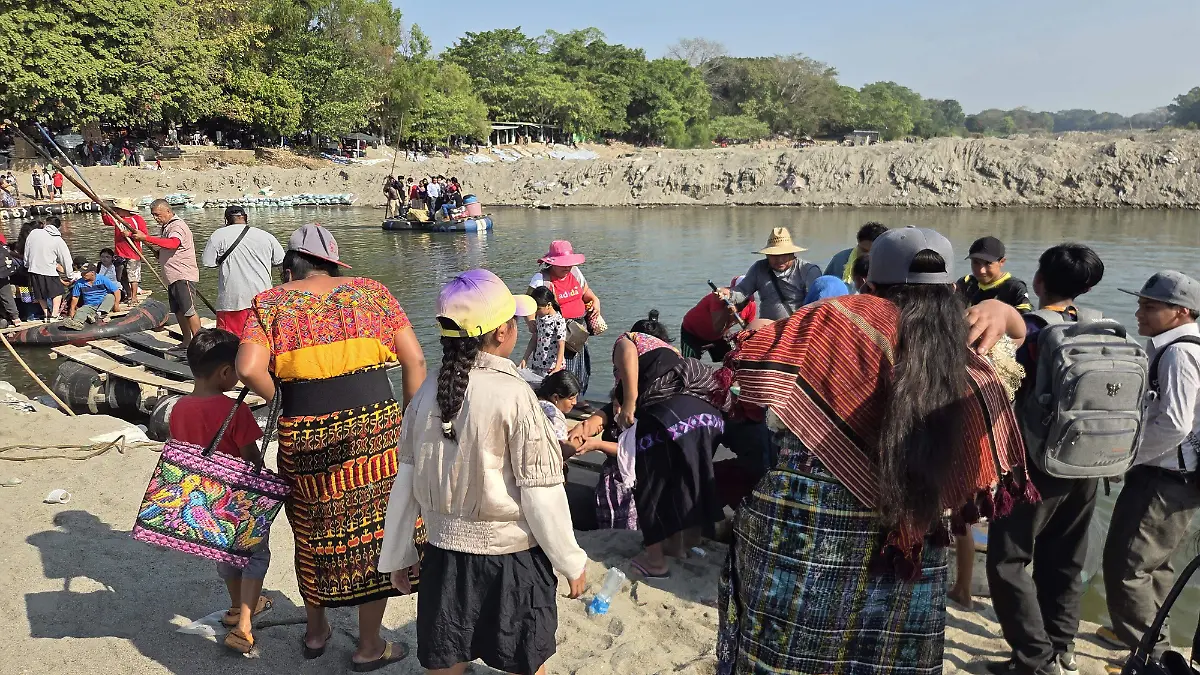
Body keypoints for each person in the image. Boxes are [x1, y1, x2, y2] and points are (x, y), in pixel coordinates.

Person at [717, 226, 1035, 675]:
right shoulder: (975, 346)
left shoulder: (833, 319)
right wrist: (1005, 311)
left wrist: (758, 329)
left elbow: (747, 377)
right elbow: (1024, 339)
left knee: (788, 653)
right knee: (887, 655)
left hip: (805, 530)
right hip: (908, 540)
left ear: (869, 281)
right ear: (950, 289)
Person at [235, 224, 427, 670]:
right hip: (374, 431)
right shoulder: (372, 292)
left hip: (305, 433)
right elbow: (415, 360)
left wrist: (278, 395)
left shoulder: (270, 302)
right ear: (332, 265)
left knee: (311, 532)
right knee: (378, 534)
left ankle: (317, 632)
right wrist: (410, 422)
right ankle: (368, 645)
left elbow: (247, 367)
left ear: (291, 268)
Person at [377, 268, 587, 675]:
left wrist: (399, 552)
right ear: (501, 334)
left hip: (443, 556)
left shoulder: (426, 391)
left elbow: (406, 482)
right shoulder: (515, 395)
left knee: (447, 657)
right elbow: (541, 493)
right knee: (525, 661)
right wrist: (570, 559)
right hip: (510, 559)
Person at [986, 244, 1107, 675]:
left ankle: (1033, 661)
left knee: (1007, 560)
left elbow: (997, 384)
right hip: (1092, 462)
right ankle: (1063, 648)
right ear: (1087, 286)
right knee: (1066, 559)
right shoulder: (1101, 326)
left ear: (1038, 281)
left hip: (1035, 465)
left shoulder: (1032, 331)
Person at [1098, 271, 1200, 667]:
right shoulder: (1188, 345)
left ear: (1181, 312)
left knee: (1127, 568)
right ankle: (1157, 640)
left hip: (1164, 479)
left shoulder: (1177, 353)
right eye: (1140, 303)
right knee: (1157, 567)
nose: (1139, 313)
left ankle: (1151, 657)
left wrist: (1124, 455)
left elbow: (1173, 424)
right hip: (1183, 479)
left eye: (1150, 306)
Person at [168, 329, 270, 654]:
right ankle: (243, 625)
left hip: (201, 499)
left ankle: (235, 606)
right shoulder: (235, 411)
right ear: (227, 372)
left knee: (225, 556)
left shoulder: (179, 407)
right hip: (236, 500)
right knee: (256, 555)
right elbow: (251, 456)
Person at [607, 310, 726, 578]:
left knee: (650, 487)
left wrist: (629, 403)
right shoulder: (672, 354)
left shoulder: (630, 339)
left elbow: (625, 351)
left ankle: (655, 562)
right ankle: (680, 546)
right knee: (687, 482)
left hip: (670, 418)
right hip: (711, 418)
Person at [529, 240, 602, 400]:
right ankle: (557, 399)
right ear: (551, 262)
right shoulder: (542, 279)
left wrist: (596, 300)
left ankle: (576, 399)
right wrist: (532, 324)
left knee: (580, 368)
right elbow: (529, 303)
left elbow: (586, 292)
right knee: (558, 369)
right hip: (555, 333)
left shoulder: (575, 273)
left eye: (569, 264)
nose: (567, 267)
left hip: (578, 331)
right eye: (563, 264)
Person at [201, 206, 284, 339]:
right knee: (263, 339)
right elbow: (280, 261)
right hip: (263, 300)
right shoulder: (266, 236)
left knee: (229, 343)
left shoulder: (218, 235)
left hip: (232, 301)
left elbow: (208, 262)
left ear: (226, 220)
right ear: (245, 218)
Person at [133, 199, 200, 349]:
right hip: (171, 276)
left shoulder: (177, 226)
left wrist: (146, 238)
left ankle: (199, 343)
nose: (156, 218)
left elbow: (173, 243)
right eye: (153, 215)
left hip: (182, 275)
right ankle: (187, 341)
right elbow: (166, 246)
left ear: (168, 211)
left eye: (158, 214)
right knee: (178, 311)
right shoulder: (166, 227)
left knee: (189, 310)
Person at [719, 227, 823, 322]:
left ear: (793, 254)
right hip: (767, 327)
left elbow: (817, 305)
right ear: (767, 255)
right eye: (774, 255)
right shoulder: (759, 268)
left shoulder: (808, 271)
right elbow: (742, 291)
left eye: (784, 255)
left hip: (798, 328)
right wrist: (728, 294)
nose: (779, 259)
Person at [679, 276, 757, 362]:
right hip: (693, 332)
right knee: (690, 364)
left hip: (720, 335)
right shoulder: (717, 299)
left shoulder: (751, 304)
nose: (744, 301)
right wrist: (727, 312)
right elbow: (717, 328)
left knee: (733, 361)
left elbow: (749, 331)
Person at [957, 236, 1033, 312]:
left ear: (1002, 262)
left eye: (988, 263)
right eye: (976, 262)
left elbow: (1027, 319)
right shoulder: (966, 283)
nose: (981, 270)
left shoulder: (1014, 288)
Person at [23, 220, 72, 321]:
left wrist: (27, 264)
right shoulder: (57, 239)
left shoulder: (33, 234)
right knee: (57, 293)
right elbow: (66, 258)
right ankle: (54, 315)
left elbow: (26, 251)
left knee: (39, 294)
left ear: (45, 224)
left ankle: (45, 314)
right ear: (58, 227)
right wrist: (69, 274)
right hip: (48, 270)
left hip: (32, 270)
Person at [103, 197, 149, 305]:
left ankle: (133, 296)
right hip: (120, 252)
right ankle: (128, 294)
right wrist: (104, 212)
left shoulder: (137, 219)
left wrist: (130, 234)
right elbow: (107, 221)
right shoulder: (117, 218)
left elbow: (144, 235)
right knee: (120, 276)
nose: (117, 211)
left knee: (133, 276)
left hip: (133, 252)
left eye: (118, 209)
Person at [518, 286, 567, 378]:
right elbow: (534, 339)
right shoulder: (540, 318)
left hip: (552, 367)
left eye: (538, 309)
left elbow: (561, 345)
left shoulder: (558, 321)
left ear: (549, 305)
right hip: (538, 364)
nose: (536, 312)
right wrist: (525, 358)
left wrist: (557, 368)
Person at [63, 263, 122, 330]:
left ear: (92, 273)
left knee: (110, 296)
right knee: (81, 310)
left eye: (85, 273)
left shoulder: (102, 279)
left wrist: (116, 304)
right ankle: (77, 323)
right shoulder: (79, 283)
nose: (82, 275)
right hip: (89, 305)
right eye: (81, 273)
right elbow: (75, 297)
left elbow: (116, 291)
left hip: (103, 303)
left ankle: (98, 315)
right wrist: (72, 310)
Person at [537, 370, 582, 446]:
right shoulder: (554, 414)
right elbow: (562, 447)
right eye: (571, 398)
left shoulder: (534, 400)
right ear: (555, 397)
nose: (575, 402)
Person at [0, 235, 20, 328]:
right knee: (6, 294)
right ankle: (16, 318)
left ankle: (7, 318)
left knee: (6, 294)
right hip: (3, 270)